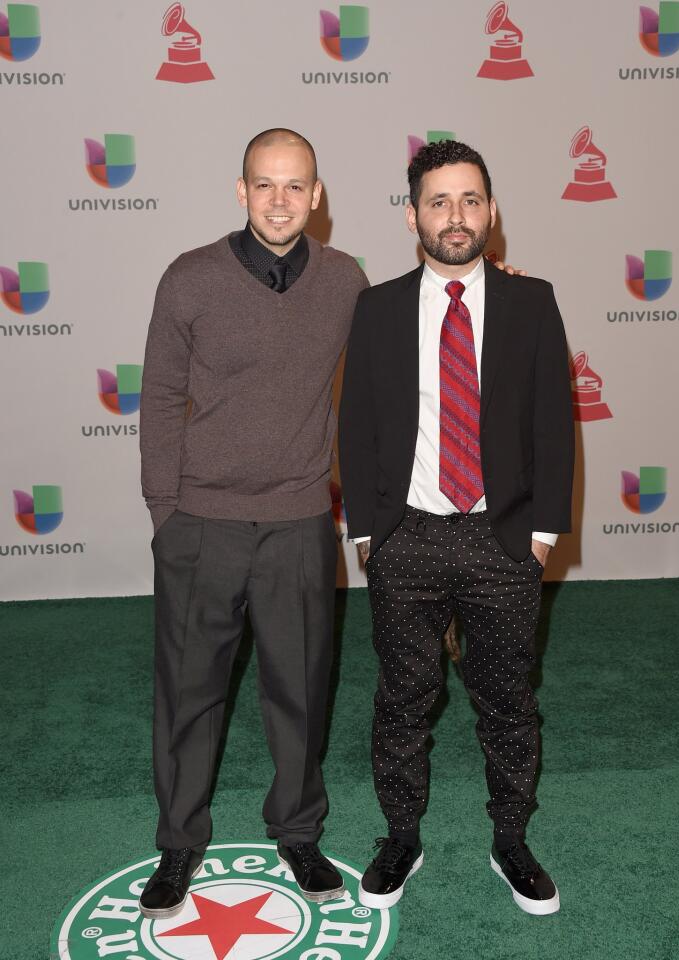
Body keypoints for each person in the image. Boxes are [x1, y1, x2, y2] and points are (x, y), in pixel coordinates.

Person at [339, 140, 574, 916]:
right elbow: (360, 423)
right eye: (437, 201)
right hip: (406, 536)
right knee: (402, 699)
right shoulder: (375, 308)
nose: (455, 216)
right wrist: (367, 534)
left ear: (492, 211)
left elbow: (552, 423)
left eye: (470, 200)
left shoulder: (530, 301)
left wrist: (541, 535)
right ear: (411, 215)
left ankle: (510, 839)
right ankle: (399, 836)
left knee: (507, 700)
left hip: (500, 539)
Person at [137, 128, 368, 918]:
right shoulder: (190, 278)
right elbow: (161, 398)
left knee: (300, 691)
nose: (279, 200)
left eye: (295, 185)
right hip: (201, 522)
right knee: (188, 693)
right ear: (240, 192)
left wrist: (489, 281)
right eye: (264, 185)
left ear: (317, 194)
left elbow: (394, 354)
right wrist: (166, 514)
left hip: (301, 522)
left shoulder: (345, 281)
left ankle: (297, 831)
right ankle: (177, 842)